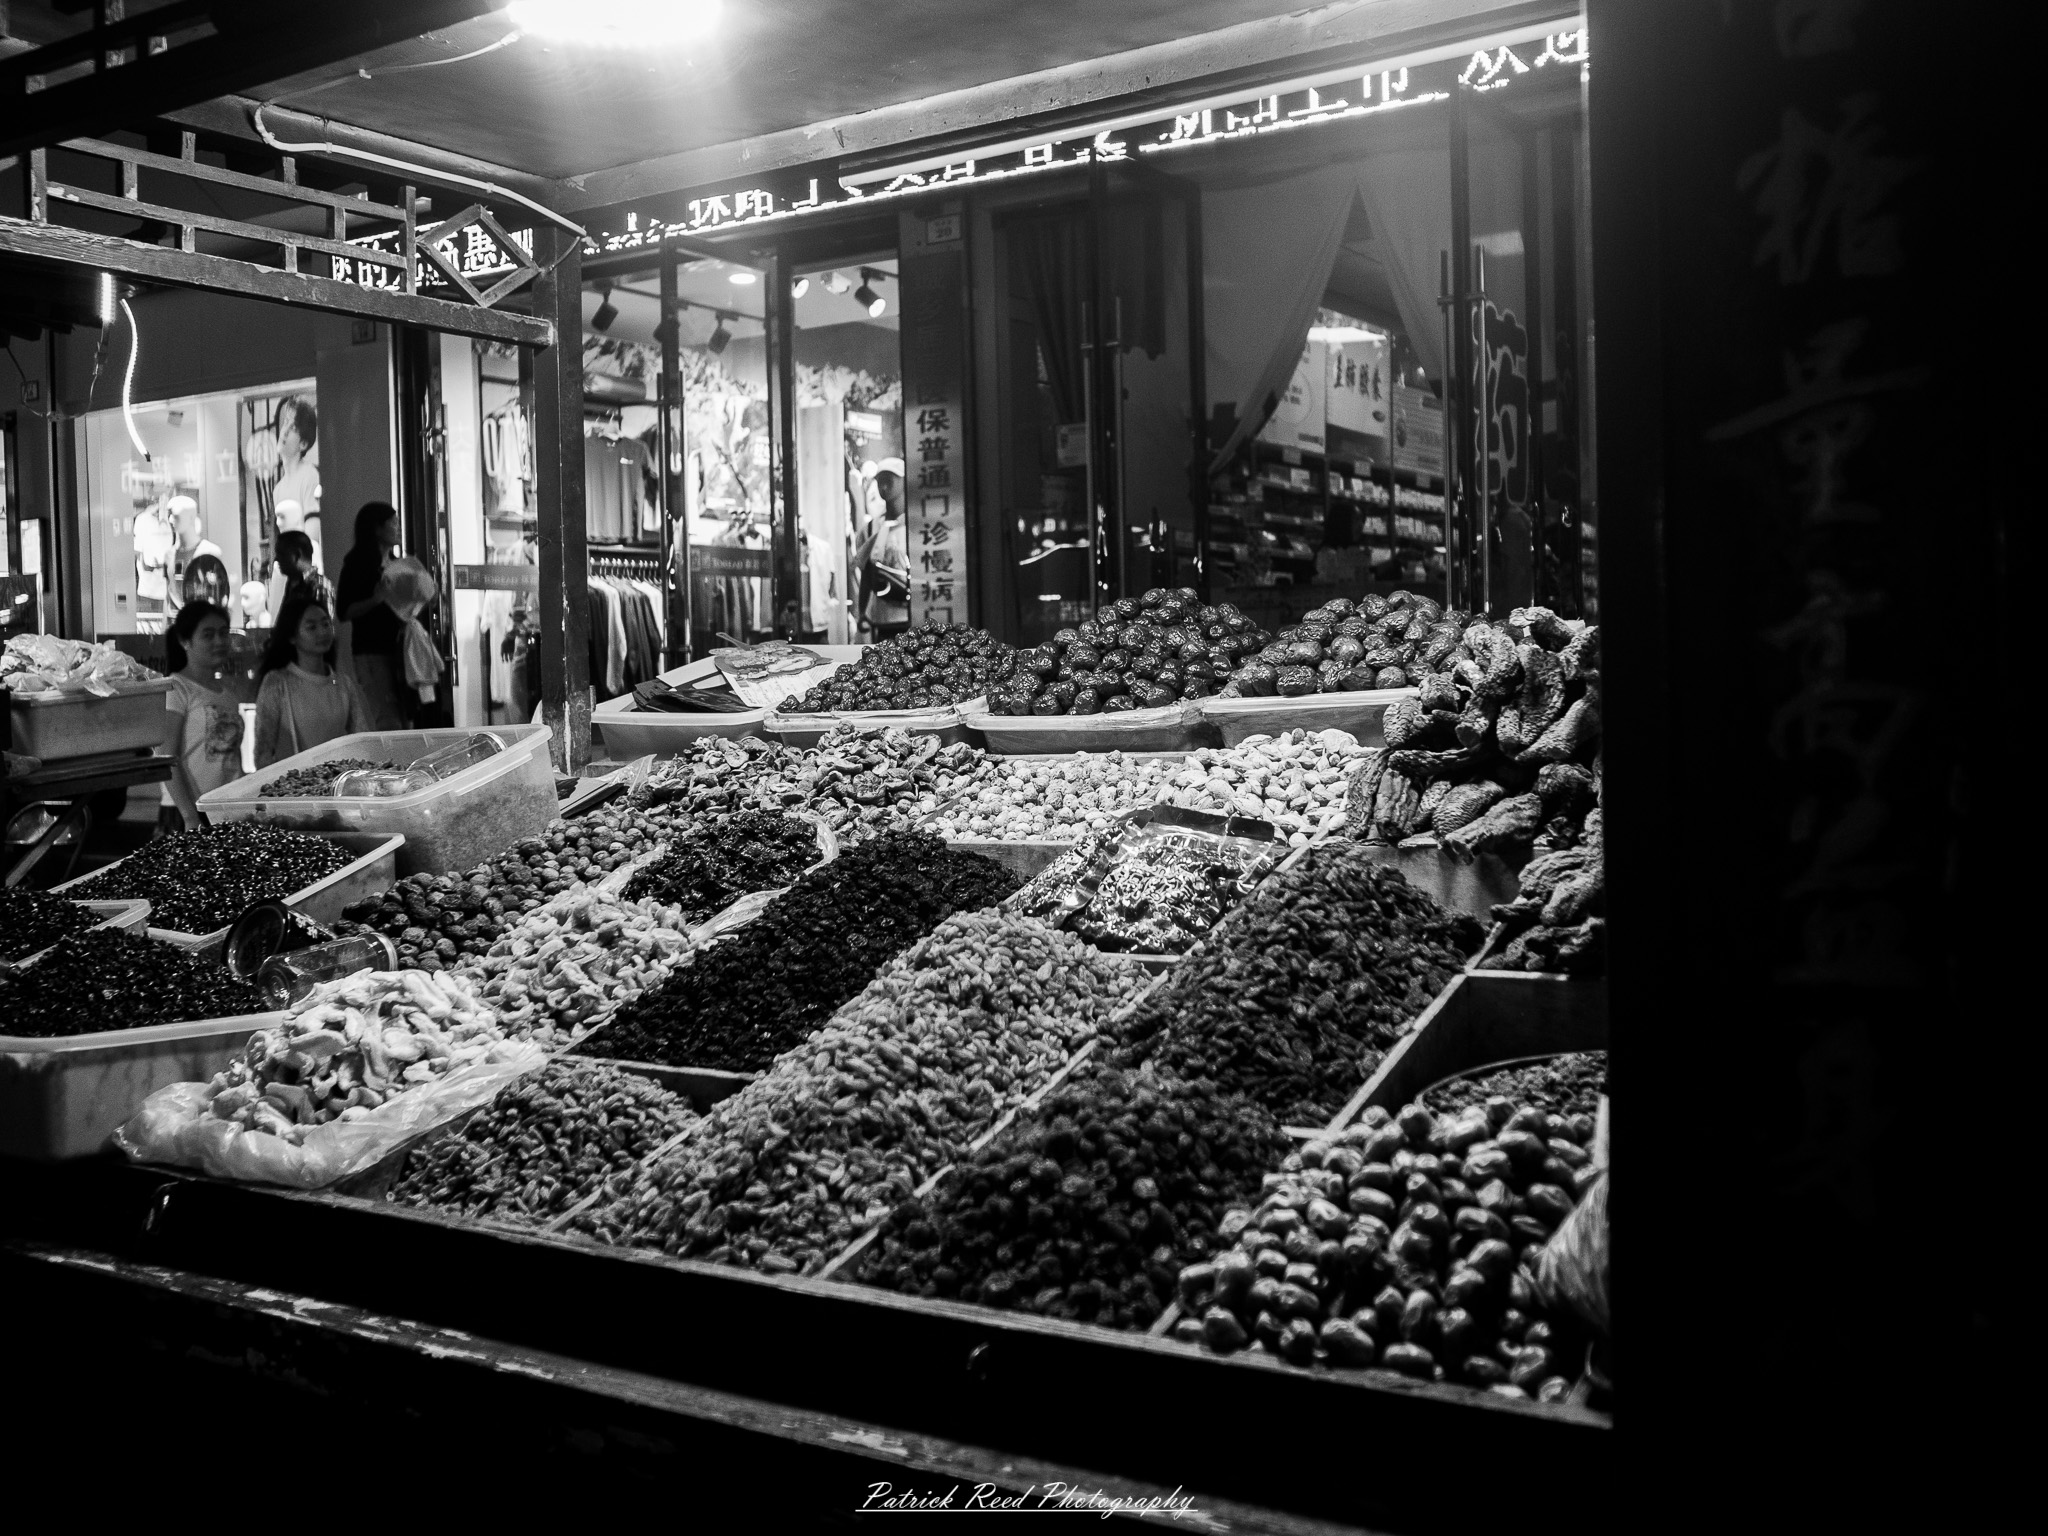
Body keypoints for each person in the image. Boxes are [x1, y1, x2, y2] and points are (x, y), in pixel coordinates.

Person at [253, 594, 371, 768]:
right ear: (292, 636)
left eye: (326, 624)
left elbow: (361, 739)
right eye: (312, 627)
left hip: (337, 784)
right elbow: (263, 750)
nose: (322, 632)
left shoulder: (343, 684)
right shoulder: (278, 683)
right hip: (295, 786)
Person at [158, 600, 244, 833]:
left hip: (227, 809)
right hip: (188, 813)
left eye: (223, 633)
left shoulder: (228, 693)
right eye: (208, 634)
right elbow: (165, 757)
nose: (219, 641)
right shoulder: (176, 688)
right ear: (185, 641)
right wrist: (189, 816)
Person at [333, 500, 409, 730]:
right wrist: (375, 600)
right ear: (376, 528)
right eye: (393, 523)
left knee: (404, 716)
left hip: (400, 651)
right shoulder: (357, 563)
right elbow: (344, 612)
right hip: (372, 652)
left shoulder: (398, 564)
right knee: (387, 718)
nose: (398, 528)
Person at [853, 457, 911, 638]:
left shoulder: (915, 524)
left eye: (890, 480)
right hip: (882, 616)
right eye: (881, 481)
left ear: (903, 481)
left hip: (910, 615)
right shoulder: (870, 529)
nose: (884, 487)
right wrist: (862, 612)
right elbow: (866, 575)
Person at [275, 529, 333, 612]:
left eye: (281, 554)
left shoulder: (320, 586)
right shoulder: (292, 585)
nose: (277, 559)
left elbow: (323, 622)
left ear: (297, 555)